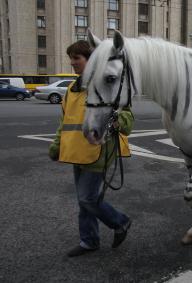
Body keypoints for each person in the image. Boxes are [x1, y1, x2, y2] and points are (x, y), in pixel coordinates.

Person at [48, 40, 134, 257]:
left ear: (91, 60)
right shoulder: (71, 89)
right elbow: (64, 121)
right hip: (76, 151)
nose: (72, 63)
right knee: (83, 199)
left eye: (77, 58)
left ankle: (120, 222)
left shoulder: (108, 84)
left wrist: (117, 121)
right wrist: (57, 144)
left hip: (100, 149)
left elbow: (128, 118)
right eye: (71, 59)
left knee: (87, 198)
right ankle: (89, 240)